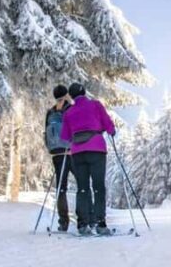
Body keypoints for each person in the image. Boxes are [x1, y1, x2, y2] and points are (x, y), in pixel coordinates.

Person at [61, 82, 116, 236]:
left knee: (82, 188)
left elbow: (65, 137)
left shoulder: (69, 112)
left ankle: (82, 224)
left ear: (71, 96)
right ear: (84, 92)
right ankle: (100, 224)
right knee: (98, 187)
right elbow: (109, 125)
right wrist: (110, 131)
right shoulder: (96, 105)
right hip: (96, 149)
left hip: (77, 152)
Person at [44, 85, 73, 231]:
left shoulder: (50, 112)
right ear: (67, 94)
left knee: (61, 188)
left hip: (57, 154)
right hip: (71, 152)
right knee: (83, 185)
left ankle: (63, 222)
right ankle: (85, 220)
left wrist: (51, 150)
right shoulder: (71, 109)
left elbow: (46, 134)